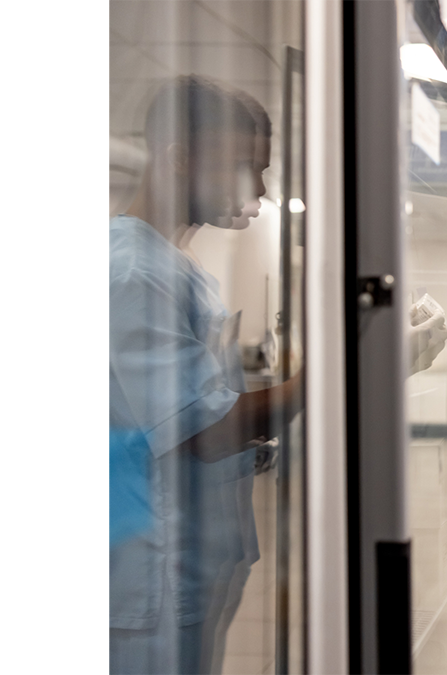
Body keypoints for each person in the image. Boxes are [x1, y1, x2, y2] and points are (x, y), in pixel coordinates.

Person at [109, 75, 302, 675]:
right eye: (247, 169)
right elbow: (204, 430)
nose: (262, 190)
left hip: (194, 568)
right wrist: (346, 369)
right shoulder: (133, 274)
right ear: (179, 162)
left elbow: (195, 416)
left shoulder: (175, 267)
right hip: (154, 585)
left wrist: (254, 445)